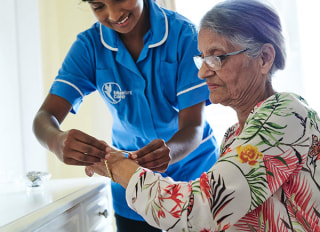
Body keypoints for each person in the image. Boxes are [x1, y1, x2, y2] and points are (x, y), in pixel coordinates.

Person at [85, 0, 320, 231]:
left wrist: (116, 165)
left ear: (264, 58)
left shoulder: (286, 115)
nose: (202, 72)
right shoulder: (235, 135)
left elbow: (197, 210)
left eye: (217, 57)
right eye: (202, 57)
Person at [32, 0, 219, 231]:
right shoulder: (89, 47)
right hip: (129, 187)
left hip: (193, 174)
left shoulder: (183, 35)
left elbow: (193, 126)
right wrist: (56, 141)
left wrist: (169, 153)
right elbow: (44, 117)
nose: (114, 13)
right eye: (98, 5)